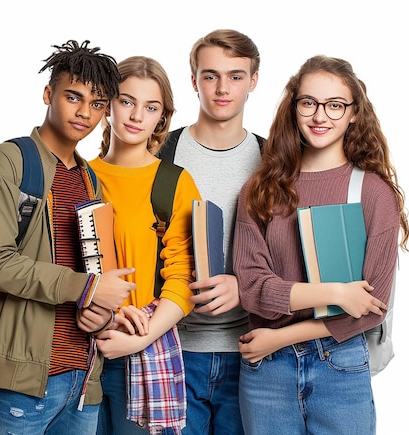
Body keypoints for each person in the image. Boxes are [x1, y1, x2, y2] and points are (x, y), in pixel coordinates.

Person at [233, 55, 409, 434]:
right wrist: (333, 292)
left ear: (353, 115)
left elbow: (369, 306)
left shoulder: (373, 193)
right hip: (266, 374)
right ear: (294, 108)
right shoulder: (261, 189)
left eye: (335, 105)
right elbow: (251, 288)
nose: (320, 116)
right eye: (309, 103)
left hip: (339, 366)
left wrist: (280, 336)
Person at [0, 40, 136, 435]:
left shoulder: (88, 178)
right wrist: (88, 288)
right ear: (48, 94)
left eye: (97, 104)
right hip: (24, 381)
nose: (84, 112)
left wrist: (101, 315)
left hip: (84, 379)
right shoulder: (11, 160)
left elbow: (92, 272)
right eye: (73, 97)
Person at [157, 29, 263, 435]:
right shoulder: (161, 153)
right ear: (194, 80)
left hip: (251, 354)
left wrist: (245, 287)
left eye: (236, 76)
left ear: (253, 81)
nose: (223, 88)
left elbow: (291, 255)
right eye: (210, 75)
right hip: (173, 349)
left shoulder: (273, 160)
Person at [89, 56, 201, 434]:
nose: (137, 115)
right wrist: (106, 317)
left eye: (150, 107)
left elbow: (183, 276)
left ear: (161, 119)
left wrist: (139, 339)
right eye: (126, 101)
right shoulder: (78, 175)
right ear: (106, 105)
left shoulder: (172, 182)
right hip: (77, 350)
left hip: (139, 351)